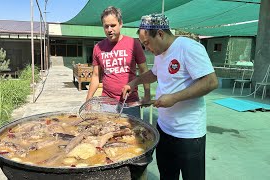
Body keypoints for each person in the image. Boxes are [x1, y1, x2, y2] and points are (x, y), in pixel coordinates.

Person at [122, 14, 219, 180]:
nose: (146, 48)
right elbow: (153, 74)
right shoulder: (160, 53)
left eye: (146, 43)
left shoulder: (189, 47)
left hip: (188, 133)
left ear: (160, 34)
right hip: (164, 129)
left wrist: (174, 97)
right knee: (167, 175)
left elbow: (211, 82)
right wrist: (134, 83)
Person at [86, 6, 150, 118]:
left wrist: (147, 94)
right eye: (106, 26)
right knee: (107, 131)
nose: (109, 29)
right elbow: (96, 76)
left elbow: (144, 70)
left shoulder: (133, 44)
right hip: (107, 103)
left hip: (130, 102)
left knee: (132, 133)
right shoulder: (98, 47)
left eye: (113, 25)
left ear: (120, 23)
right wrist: (88, 100)